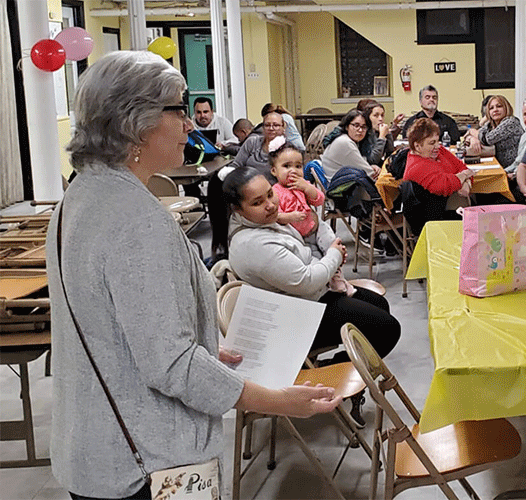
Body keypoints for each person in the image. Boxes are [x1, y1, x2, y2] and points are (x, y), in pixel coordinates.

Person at [48, 51, 342, 500]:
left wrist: (201, 341)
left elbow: (116, 326)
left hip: (94, 449)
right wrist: (278, 401)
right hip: (146, 464)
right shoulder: (137, 220)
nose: (190, 124)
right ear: (136, 123)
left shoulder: (78, 199)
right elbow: (170, 366)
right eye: (179, 109)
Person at [224, 166, 402, 414]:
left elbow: (309, 243)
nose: (270, 205)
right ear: (238, 209)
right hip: (292, 317)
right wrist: (332, 255)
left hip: (305, 298)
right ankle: (331, 373)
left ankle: (344, 372)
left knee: (380, 307)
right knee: (387, 330)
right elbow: (307, 280)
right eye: (257, 202)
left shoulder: (267, 222)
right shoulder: (252, 244)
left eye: (269, 194)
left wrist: (326, 257)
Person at [402, 117, 475, 236]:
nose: (437, 146)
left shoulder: (439, 151)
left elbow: (461, 166)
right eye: (431, 143)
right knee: (477, 217)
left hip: (447, 211)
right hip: (433, 223)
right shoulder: (416, 166)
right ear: (417, 146)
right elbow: (444, 186)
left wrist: (466, 183)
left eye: (437, 140)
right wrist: (464, 175)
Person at [320, 109, 382, 184]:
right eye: (356, 125)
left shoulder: (347, 139)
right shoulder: (345, 143)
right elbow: (370, 175)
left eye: (364, 127)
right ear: (347, 126)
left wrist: (370, 167)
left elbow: (361, 165)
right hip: (338, 189)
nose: (360, 130)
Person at [465, 95, 524, 168]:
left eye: (499, 106)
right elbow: (468, 138)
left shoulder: (511, 122)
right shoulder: (490, 125)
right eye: (491, 108)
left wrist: (472, 131)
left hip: (513, 169)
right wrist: (472, 138)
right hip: (496, 165)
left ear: (506, 108)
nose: (495, 110)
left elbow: (487, 139)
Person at [233, 111, 285, 182]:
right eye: (267, 125)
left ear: (283, 128)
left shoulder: (288, 149)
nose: (271, 128)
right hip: (247, 185)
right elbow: (235, 165)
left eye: (276, 125)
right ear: (263, 127)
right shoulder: (252, 142)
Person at [364, 101, 404, 166]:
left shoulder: (378, 132)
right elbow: (373, 160)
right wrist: (382, 137)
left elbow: (389, 156)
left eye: (382, 115)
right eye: (376, 115)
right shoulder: (364, 134)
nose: (380, 119)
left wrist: (388, 135)